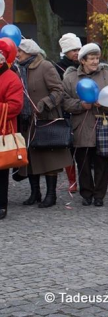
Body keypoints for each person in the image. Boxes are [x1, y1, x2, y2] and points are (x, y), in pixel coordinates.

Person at [16, 39, 72, 209]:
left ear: (30, 52)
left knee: (49, 157)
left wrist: (45, 103)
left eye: (20, 51)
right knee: (31, 158)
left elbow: (59, 90)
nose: (17, 54)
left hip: (46, 118)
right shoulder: (19, 69)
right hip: (27, 120)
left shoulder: (45, 66)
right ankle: (35, 193)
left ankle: (51, 194)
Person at [62, 43, 108, 207]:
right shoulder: (70, 78)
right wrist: (81, 105)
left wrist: (105, 103)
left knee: (102, 162)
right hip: (81, 126)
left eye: (97, 58)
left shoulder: (107, 75)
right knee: (83, 162)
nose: (95, 62)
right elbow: (64, 101)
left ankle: (99, 195)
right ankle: (86, 193)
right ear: (82, 61)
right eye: (91, 59)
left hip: (103, 123)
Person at [0, 40, 24, 220]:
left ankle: (1, 205)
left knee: (1, 172)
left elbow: (15, 106)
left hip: (2, 131)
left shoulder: (11, 78)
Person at [56, 33, 83, 193]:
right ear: (65, 51)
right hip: (66, 111)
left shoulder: (84, 64)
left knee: (82, 147)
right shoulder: (57, 66)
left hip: (84, 109)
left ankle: (84, 177)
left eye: (78, 49)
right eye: (73, 49)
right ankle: (72, 180)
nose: (77, 53)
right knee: (68, 148)